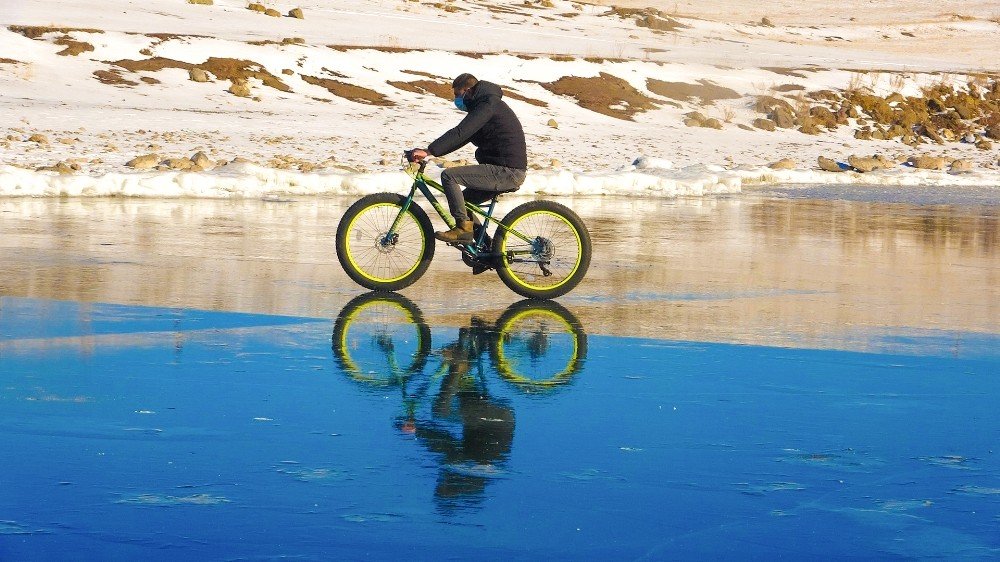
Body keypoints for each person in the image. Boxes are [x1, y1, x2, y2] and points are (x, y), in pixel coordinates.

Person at [408, 73, 528, 244]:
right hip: (502, 168)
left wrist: (429, 151)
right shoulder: (484, 105)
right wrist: (431, 151)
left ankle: (464, 229)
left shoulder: (488, 105)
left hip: (507, 171)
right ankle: (485, 246)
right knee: (463, 203)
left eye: (457, 95)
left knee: (449, 176)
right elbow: (463, 137)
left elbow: (461, 132)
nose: (456, 100)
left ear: (468, 90)